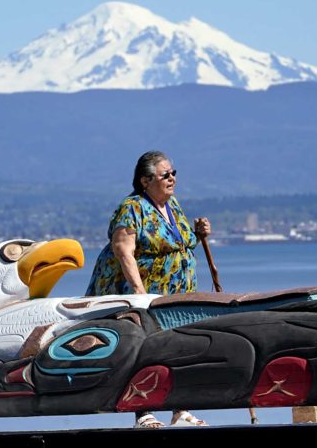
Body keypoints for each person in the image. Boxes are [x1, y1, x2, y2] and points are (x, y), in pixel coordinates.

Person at [86, 150, 211, 428]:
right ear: (145, 180)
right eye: (165, 174)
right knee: (145, 351)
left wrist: (198, 234)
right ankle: (143, 410)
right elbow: (123, 251)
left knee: (180, 348)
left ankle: (181, 409)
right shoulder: (131, 208)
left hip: (176, 294)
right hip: (144, 296)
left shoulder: (172, 205)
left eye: (173, 173)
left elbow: (177, 242)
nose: (172, 179)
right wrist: (139, 295)